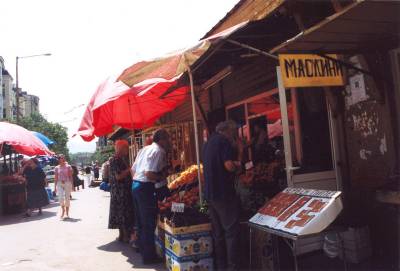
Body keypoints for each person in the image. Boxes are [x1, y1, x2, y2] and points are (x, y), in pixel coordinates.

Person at [203, 120, 242, 270]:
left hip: (210, 194)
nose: (235, 134)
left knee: (218, 233)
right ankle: (232, 268)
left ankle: (220, 266)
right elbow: (229, 165)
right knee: (231, 232)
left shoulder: (208, 143)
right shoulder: (224, 142)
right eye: (234, 131)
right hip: (223, 193)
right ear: (228, 131)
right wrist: (238, 161)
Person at [131, 129, 170, 264]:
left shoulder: (144, 149)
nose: (169, 141)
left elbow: (133, 170)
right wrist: (161, 176)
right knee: (148, 222)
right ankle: (149, 256)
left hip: (136, 185)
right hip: (145, 187)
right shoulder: (159, 151)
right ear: (161, 140)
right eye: (167, 139)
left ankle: (143, 250)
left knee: (141, 222)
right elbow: (149, 174)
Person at [108, 140, 135, 243]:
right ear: (121, 148)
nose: (127, 150)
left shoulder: (122, 159)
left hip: (122, 190)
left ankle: (124, 235)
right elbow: (118, 176)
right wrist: (129, 169)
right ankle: (124, 235)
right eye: (126, 148)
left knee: (122, 213)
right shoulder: (114, 159)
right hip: (120, 191)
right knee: (122, 213)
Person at [54, 154, 73, 219]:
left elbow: (71, 177)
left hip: (67, 183)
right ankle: (63, 210)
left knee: (67, 198)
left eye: (63, 158)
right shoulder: (56, 167)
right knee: (60, 197)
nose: (62, 159)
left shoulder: (68, 166)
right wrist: (55, 187)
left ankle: (67, 213)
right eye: (61, 158)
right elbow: (56, 178)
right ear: (59, 159)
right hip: (59, 183)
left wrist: (72, 185)